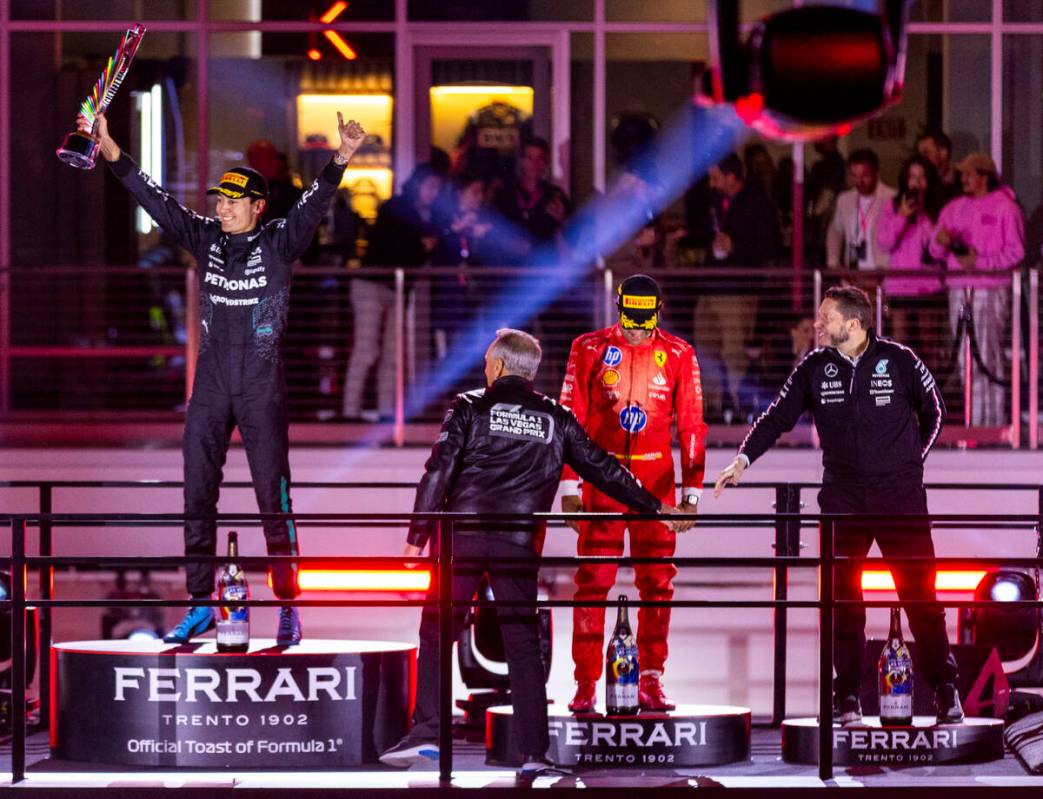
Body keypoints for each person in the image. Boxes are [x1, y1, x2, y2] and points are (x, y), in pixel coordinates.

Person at [77, 110, 366, 646]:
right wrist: (112, 151)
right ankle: (199, 604)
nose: (223, 206)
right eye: (219, 198)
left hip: (260, 388)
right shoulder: (205, 237)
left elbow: (314, 206)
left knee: (273, 500)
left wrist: (341, 157)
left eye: (234, 199)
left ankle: (286, 606)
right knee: (195, 497)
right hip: (209, 387)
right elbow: (156, 202)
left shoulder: (281, 241)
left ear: (259, 206)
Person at [379, 329, 687, 782]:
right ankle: (533, 753)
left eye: (487, 360)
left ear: (500, 367)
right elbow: (604, 469)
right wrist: (656, 506)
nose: (485, 367)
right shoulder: (556, 417)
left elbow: (438, 472)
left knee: (436, 630)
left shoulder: (468, 406)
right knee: (522, 644)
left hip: (460, 538)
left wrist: (414, 540)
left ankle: (427, 730)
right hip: (519, 544)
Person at [715, 285, 963, 726]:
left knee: (920, 595)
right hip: (842, 497)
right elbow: (776, 415)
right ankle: (847, 696)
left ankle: (946, 690)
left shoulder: (901, 359)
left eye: (825, 317)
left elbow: (936, 412)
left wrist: (909, 465)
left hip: (900, 497)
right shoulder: (814, 366)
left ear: (853, 323)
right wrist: (743, 459)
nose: (817, 324)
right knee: (843, 597)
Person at [560, 274, 708, 713]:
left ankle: (651, 679)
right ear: (618, 307)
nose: (637, 330)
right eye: (630, 320)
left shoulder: (680, 353)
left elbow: (693, 426)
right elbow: (571, 420)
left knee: (658, 584)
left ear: (658, 309)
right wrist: (569, 486)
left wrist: (692, 494)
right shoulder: (586, 348)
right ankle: (585, 683)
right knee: (592, 583)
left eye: (644, 321)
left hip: (657, 486)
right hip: (601, 481)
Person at [928, 152, 1025, 426]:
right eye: (963, 174)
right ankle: (973, 419)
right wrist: (942, 242)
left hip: (991, 290)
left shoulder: (1006, 208)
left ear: (984, 176)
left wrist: (980, 262)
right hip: (959, 289)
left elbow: (1016, 252)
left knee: (988, 354)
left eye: (969, 174)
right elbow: (934, 249)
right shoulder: (954, 207)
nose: (964, 178)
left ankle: (992, 422)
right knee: (963, 356)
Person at [342, 163, 443, 422]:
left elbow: (412, 254)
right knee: (367, 350)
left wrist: (424, 244)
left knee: (392, 355)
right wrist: (423, 245)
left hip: (397, 288)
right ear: (419, 184)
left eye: (437, 188)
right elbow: (400, 250)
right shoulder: (396, 208)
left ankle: (386, 412)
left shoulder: (423, 215)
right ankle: (350, 412)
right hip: (371, 286)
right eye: (431, 186)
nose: (434, 192)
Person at [698, 152, 783, 419]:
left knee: (734, 352)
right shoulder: (715, 201)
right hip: (710, 288)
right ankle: (709, 410)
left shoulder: (758, 203)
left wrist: (736, 247)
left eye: (715, 177)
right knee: (705, 348)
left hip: (739, 290)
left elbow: (772, 245)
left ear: (731, 177)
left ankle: (738, 409)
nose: (711, 183)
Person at [874, 155, 947, 369]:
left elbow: (939, 249)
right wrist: (903, 216)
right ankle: (902, 397)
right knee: (900, 347)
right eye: (913, 176)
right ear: (905, 179)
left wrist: (929, 224)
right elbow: (883, 243)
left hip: (928, 286)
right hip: (900, 286)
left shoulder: (936, 210)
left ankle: (931, 395)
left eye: (922, 177)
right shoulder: (892, 206)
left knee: (929, 346)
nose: (917, 182)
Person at [827, 148, 896, 271]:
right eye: (854, 176)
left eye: (865, 175)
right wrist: (833, 262)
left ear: (876, 172)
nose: (859, 181)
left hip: (883, 272)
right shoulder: (844, 200)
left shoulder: (891, 198)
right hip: (852, 274)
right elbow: (835, 231)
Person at [916, 129, 962, 203]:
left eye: (926, 153)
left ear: (943, 152)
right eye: (921, 154)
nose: (922, 158)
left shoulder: (964, 181)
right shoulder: (923, 184)